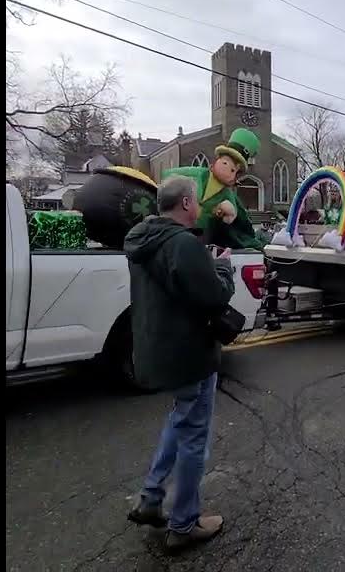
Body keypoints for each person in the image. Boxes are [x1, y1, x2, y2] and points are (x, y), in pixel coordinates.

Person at [123, 176, 235, 551]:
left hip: (157, 353)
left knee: (179, 418)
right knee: (193, 439)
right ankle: (184, 523)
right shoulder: (183, 244)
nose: (199, 207)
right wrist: (222, 267)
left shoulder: (141, 238)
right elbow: (214, 299)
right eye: (196, 201)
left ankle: (151, 498)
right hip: (189, 355)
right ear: (186, 203)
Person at [160, 128, 267, 250]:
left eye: (233, 170)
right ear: (217, 161)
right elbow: (168, 175)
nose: (227, 171)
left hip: (201, 239)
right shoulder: (197, 175)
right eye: (225, 163)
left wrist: (228, 215)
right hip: (176, 231)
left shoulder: (228, 195)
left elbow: (236, 219)